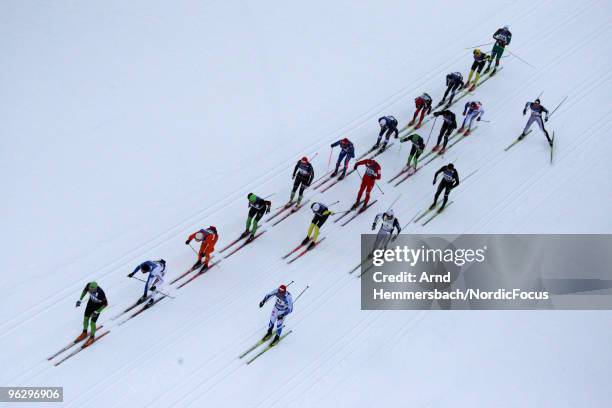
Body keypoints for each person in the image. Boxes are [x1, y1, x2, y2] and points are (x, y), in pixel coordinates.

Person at [75, 281, 108, 347]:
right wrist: (80, 300)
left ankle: (92, 337)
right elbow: (84, 291)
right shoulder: (88, 285)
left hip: (98, 307)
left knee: (92, 323)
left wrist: (97, 312)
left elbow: (105, 304)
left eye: (92, 290)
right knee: (85, 319)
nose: (90, 290)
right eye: (90, 289)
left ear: (95, 288)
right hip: (90, 304)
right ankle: (84, 332)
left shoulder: (101, 293)